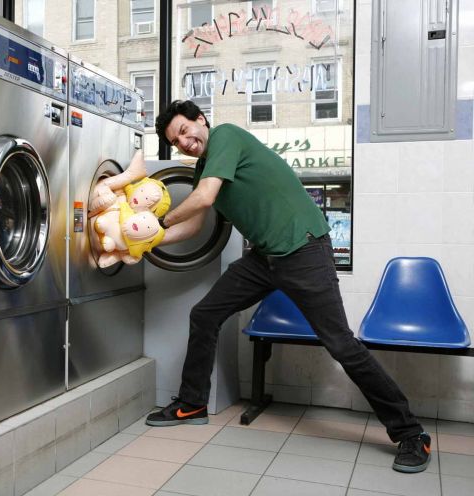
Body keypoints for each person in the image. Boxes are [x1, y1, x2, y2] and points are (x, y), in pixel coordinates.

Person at [145, 100, 432, 474]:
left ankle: (411, 434)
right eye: (176, 141)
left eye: (184, 131)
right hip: (265, 259)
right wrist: (146, 240)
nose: (184, 142)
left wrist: (153, 218)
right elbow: (195, 225)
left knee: (341, 344)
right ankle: (192, 403)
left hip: (304, 249)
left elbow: (203, 198)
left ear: (201, 120)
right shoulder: (206, 167)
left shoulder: (226, 137)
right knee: (205, 314)